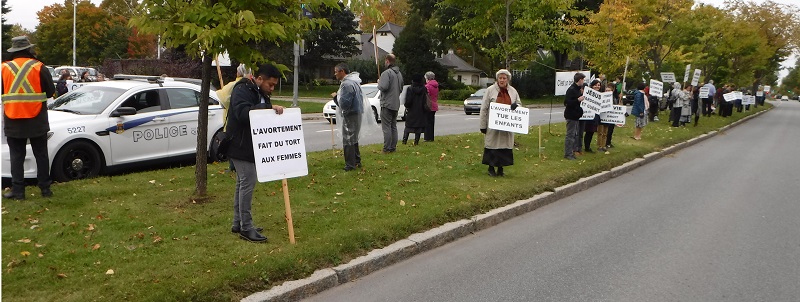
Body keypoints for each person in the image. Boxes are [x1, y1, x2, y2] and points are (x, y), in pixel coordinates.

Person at [225, 63, 285, 243]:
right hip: (239, 145)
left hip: (250, 145)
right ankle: (246, 228)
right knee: (248, 183)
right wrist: (268, 108)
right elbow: (243, 113)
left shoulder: (260, 92)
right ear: (259, 79)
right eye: (270, 84)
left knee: (242, 183)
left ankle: (238, 223)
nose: (272, 88)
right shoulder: (242, 89)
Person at [1, 36, 56, 200]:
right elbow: (50, 91)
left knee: (16, 156)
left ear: (14, 51)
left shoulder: (4, 68)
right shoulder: (39, 67)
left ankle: (18, 191)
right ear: (29, 49)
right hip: (37, 117)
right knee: (41, 154)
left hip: (13, 118)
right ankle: (45, 189)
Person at [479, 69, 521, 176]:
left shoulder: (513, 91)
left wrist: (516, 106)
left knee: (504, 147)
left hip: (506, 126)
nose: (502, 80)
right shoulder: (490, 90)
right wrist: (483, 125)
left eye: (504, 78)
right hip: (493, 126)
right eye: (500, 78)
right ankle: (491, 168)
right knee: (492, 145)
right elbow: (484, 108)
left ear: (508, 79)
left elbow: (519, 104)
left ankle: (501, 168)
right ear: (497, 79)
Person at [217, 64, 252, 171]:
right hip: (241, 122)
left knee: (232, 143)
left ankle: (233, 166)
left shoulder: (232, 86)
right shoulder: (249, 85)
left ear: (238, 72)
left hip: (231, 120)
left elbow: (220, 97)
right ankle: (235, 166)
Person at [333, 63, 364, 171]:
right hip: (357, 113)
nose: (335, 74)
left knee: (348, 139)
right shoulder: (354, 82)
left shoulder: (346, 85)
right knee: (354, 138)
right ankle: (357, 161)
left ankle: (350, 165)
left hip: (350, 115)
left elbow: (344, 104)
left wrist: (335, 98)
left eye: (336, 71)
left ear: (342, 71)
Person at [377, 54, 403, 153]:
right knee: (393, 126)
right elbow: (400, 88)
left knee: (386, 127)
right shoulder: (399, 74)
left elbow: (383, 87)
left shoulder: (386, 73)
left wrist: (379, 83)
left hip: (387, 103)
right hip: (396, 103)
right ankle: (393, 147)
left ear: (387, 61)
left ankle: (387, 148)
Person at [563, 72, 585, 160]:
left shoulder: (578, 89)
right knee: (570, 135)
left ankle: (571, 152)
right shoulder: (571, 89)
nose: (583, 81)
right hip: (571, 115)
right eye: (583, 80)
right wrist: (577, 100)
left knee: (574, 135)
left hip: (575, 115)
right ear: (579, 80)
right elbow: (567, 102)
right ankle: (568, 153)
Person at [402, 74, 429, 145]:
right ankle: (416, 141)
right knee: (418, 128)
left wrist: (407, 106)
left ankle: (404, 140)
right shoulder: (424, 89)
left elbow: (408, 101)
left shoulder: (410, 89)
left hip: (411, 110)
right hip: (421, 111)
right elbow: (425, 100)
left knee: (408, 127)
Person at [583, 80, 602, 153]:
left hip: (596, 116)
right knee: (588, 131)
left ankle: (588, 146)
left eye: (599, 85)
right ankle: (586, 147)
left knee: (592, 132)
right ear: (592, 86)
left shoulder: (600, 95)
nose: (597, 86)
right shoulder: (588, 94)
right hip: (589, 115)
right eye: (596, 85)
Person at [597, 83, 616, 152]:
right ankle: (599, 146)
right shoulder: (602, 97)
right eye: (606, 90)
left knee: (605, 132)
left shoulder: (613, 99)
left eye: (609, 90)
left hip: (608, 118)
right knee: (600, 132)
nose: (607, 92)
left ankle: (604, 145)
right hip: (601, 117)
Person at [423, 71, 439, 142]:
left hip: (428, 105)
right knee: (431, 122)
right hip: (434, 105)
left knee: (427, 122)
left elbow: (426, 96)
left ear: (428, 78)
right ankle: (431, 137)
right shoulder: (436, 86)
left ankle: (427, 137)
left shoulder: (427, 86)